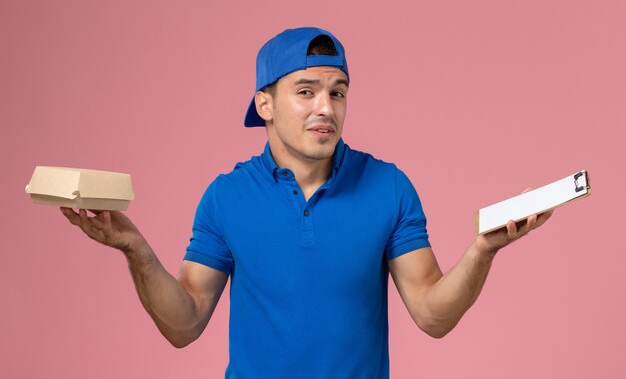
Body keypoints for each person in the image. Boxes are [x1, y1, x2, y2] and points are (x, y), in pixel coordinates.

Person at [61, 27, 553, 379]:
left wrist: (482, 251)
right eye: (306, 91)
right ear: (265, 105)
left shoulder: (389, 186)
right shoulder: (226, 197)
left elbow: (432, 314)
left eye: (337, 92)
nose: (326, 107)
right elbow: (184, 322)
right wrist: (135, 249)